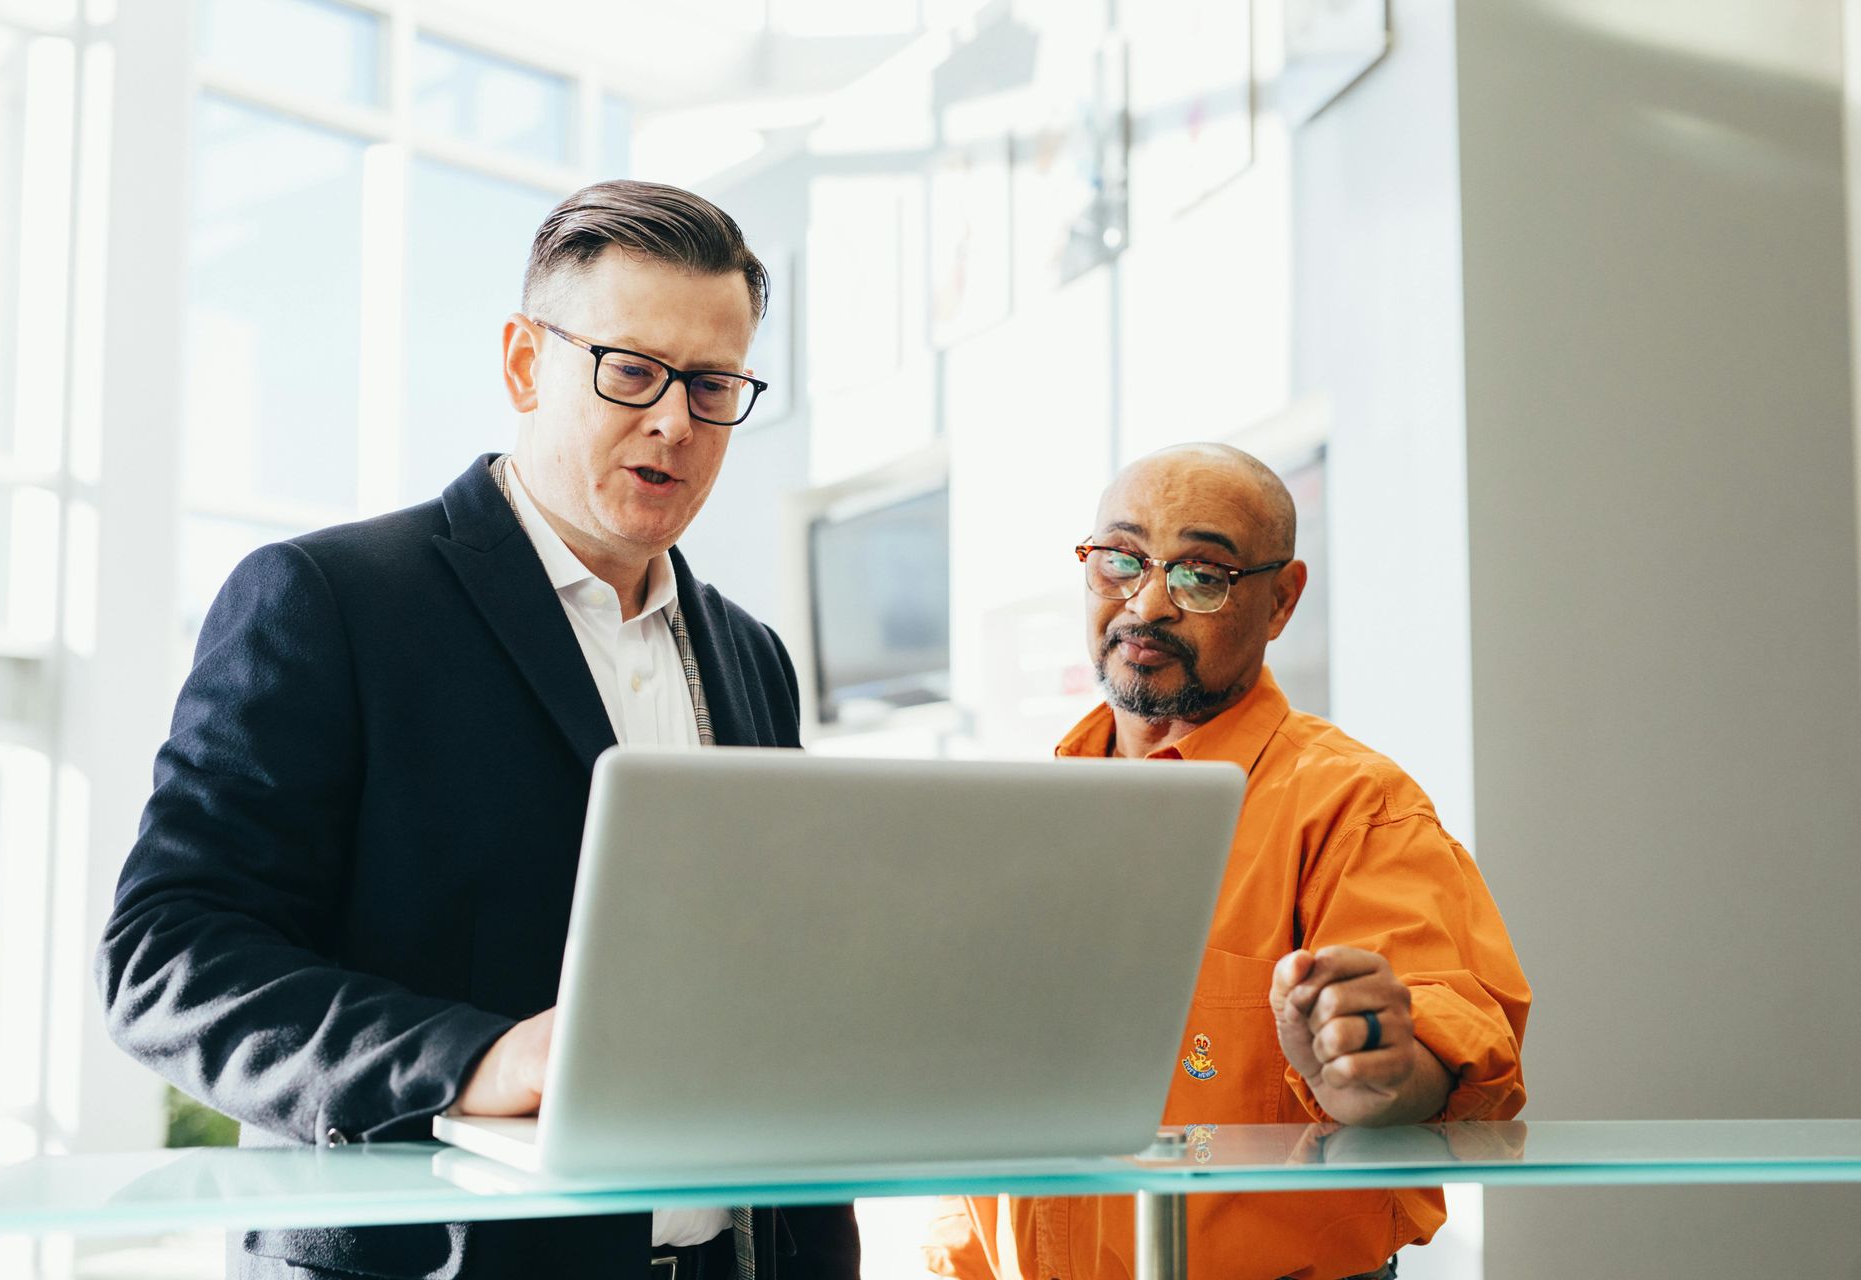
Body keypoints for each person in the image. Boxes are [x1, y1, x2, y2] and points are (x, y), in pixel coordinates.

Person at [97, 180, 859, 1280]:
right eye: (630, 370)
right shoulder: (327, 599)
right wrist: (478, 1059)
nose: (673, 423)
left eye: (712, 384)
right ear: (522, 363)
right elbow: (167, 958)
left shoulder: (752, 655)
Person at [925, 443, 1530, 1280]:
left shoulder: (1354, 807)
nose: (1147, 603)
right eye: (1119, 561)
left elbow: (1443, 1045)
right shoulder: (1030, 815)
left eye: (1201, 575)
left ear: (1281, 600)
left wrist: (1378, 1074)